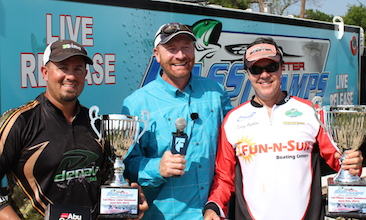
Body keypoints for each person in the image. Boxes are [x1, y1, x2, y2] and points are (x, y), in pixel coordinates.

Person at [203, 37, 364, 220]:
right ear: (248, 73)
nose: (264, 75)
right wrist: (214, 207)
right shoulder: (233, 120)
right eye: (256, 69)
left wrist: (352, 163)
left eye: (271, 67)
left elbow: (340, 161)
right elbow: (224, 177)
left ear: (282, 68)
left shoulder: (310, 112)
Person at [0, 39, 147, 220]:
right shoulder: (20, 121)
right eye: (63, 67)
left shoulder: (95, 124)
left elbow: (107, 182)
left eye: (78, 69)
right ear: (45, 73)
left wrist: (127, 203)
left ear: (85, 74)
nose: (71, 76)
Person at [121, 22, 233, 220]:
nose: (180, 55)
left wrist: (217, 204)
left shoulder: (216, 92)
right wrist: (157, 168)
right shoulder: (136, 103)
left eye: (186, 47)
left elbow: (229, 155)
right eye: (171, 49)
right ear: (157, 54)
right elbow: (125, 165)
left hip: (214, 213)